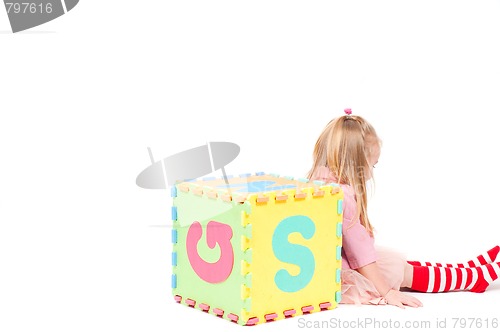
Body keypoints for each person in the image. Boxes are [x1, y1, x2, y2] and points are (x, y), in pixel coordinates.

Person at [307, 108, 500, 309]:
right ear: (356, 163)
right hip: (344, 273)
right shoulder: (342, 197)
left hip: (334, 263)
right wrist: (388, 292)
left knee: (401, 265)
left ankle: (466, 268)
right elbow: (362, 255)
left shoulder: (318, 183)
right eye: (372, 166)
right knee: (404, 272)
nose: (371, 174)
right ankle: (470, 278)